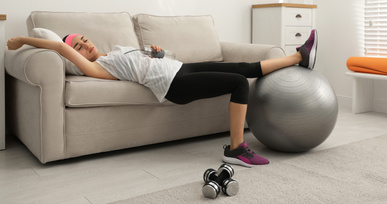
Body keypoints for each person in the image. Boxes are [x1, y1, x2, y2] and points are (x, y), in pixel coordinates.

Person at [7, 29, 318, 168]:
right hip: (174, 85)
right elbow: (59, 48)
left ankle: (298, 57)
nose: (85, 45)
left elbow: (155, 58)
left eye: (84, 40)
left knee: (241, 67)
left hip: (178, 67)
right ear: (76, 56)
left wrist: (158, 53)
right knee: (239, 84)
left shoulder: (115, 50)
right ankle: (236, 149)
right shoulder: (97, 68)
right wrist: (22, 39)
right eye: (78, 46)